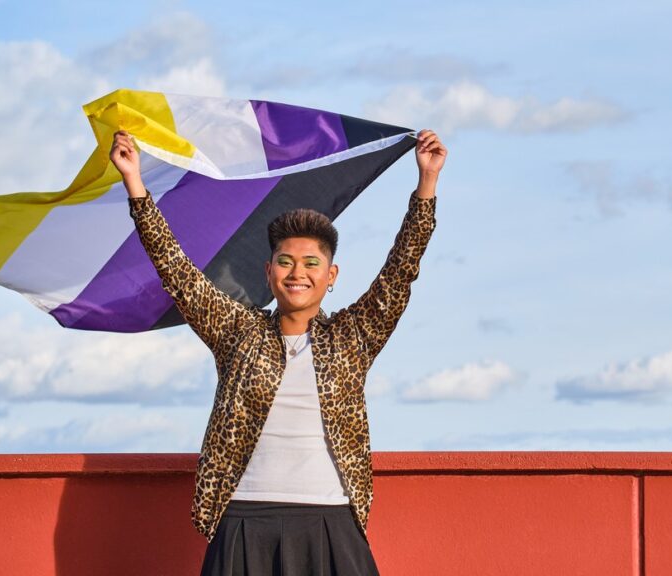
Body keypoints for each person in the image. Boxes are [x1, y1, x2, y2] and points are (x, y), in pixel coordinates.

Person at [110, 127, 446, 575]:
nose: (297, 273)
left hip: (330, 518)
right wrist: (135, 183)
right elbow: (178, 272)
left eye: (312, 264)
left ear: (331, 275)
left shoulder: (353, 336)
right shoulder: (236, 332)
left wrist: (426, 183)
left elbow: (400, 272)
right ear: (269, 273)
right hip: (244, 519)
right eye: (285, 262)